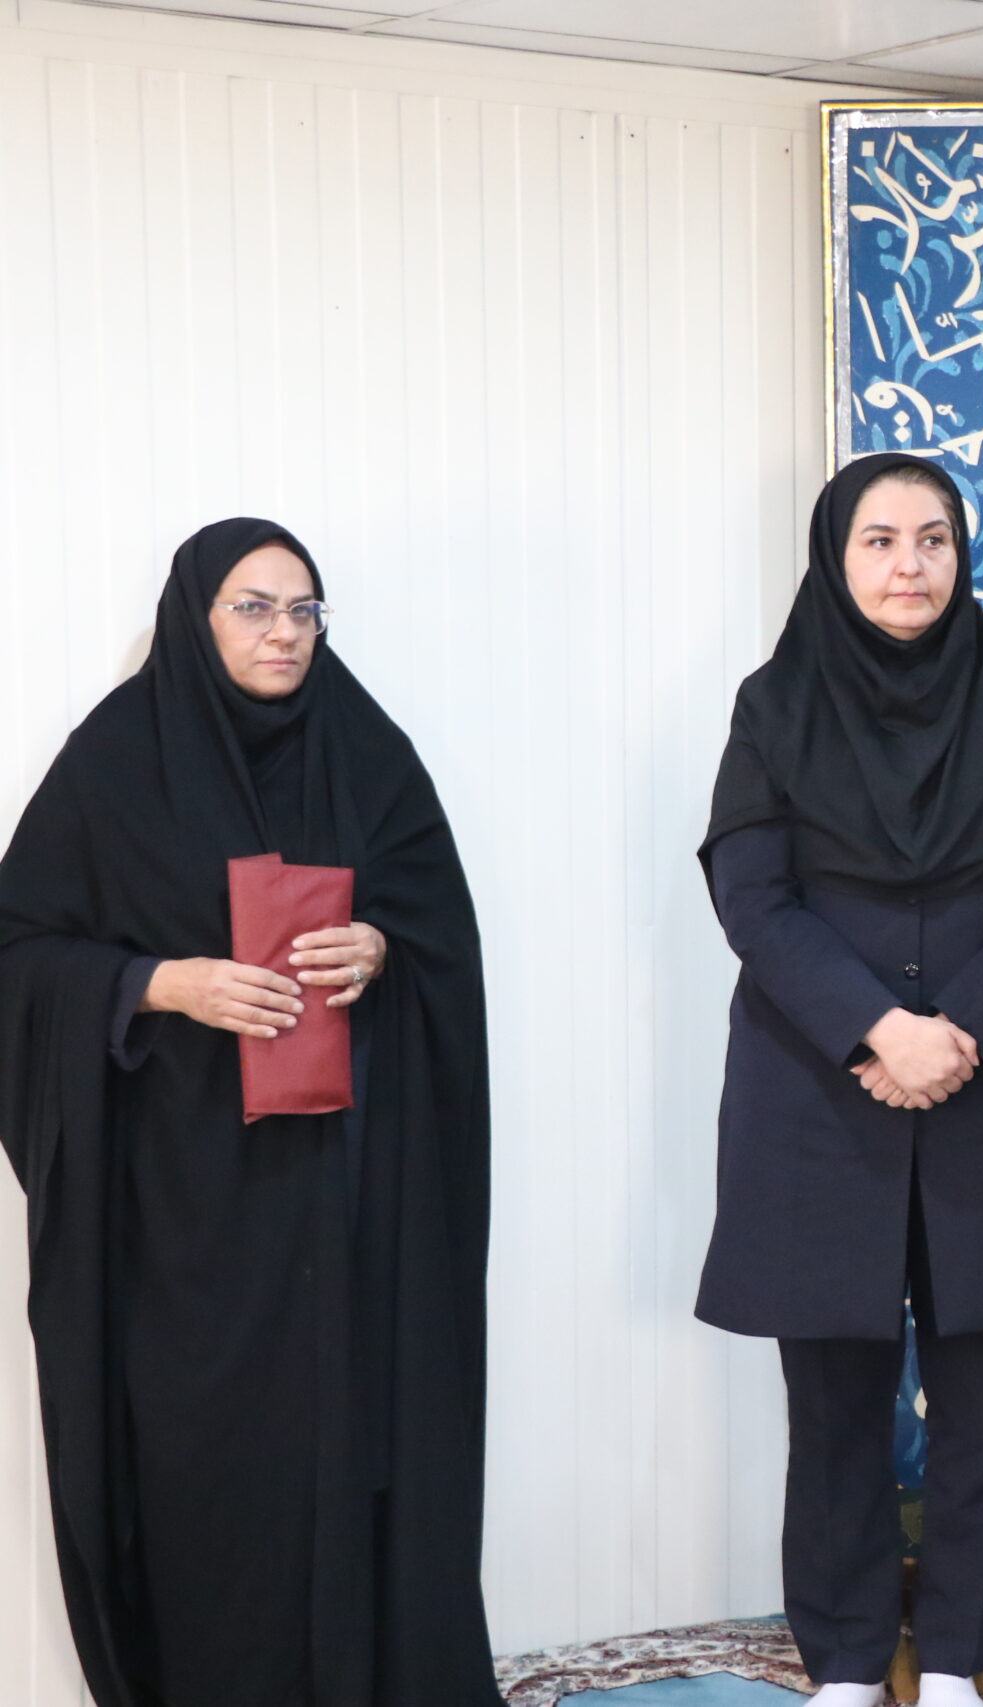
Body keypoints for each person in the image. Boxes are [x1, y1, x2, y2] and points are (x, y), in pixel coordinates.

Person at [0, 519, 499, 1706]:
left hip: (346, 1206)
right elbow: (19, 954)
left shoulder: (368, 754)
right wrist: (158, 983)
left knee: (352, 1457)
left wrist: (380, 946)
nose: (285, 632)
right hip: (182, 1220)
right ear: (194, 617)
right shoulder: (115, 764)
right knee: (211, 1474)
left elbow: (439, 933)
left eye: (304, 609)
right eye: (254, 607)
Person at [695, 453, 983, 1707]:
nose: (909, 566)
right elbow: (752, 897)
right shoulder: (774, 705)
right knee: (834, 1396)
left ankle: (959, 1657)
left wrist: (959, 1030)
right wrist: (878, 1030)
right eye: (878, 541)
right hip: (821, 1089)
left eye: (932, 539)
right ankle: (842, 1658)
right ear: (836, 559)